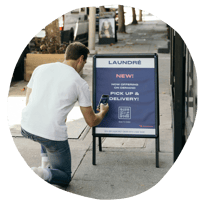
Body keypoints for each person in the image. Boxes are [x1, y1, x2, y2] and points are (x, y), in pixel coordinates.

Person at [21, 42, 109, 187]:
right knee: (64, 176)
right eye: (84, 63)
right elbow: (91, 121)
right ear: (80, 59)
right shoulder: (79, 83)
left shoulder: (41, 68)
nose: (83, 67)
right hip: (50, 134)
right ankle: (38, 173)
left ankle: (45, 166)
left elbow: (29, 101)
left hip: (26, 127)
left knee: (46, 132)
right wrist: (103, 113)